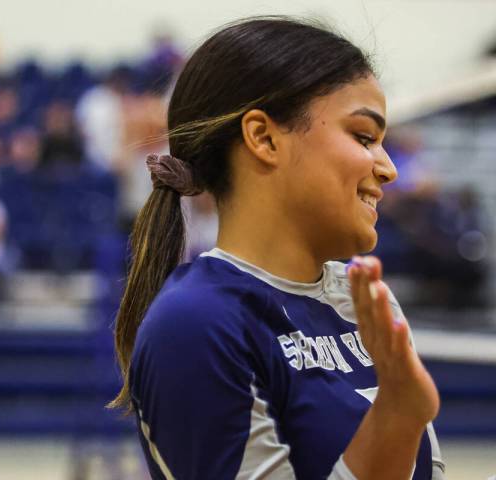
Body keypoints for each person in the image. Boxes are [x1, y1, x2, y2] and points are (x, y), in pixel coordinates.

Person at [110, 17, 445, 480]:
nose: (388, 169)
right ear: (264, 138)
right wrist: (397, 416)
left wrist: (403, 415)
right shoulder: (196, 323)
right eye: (364, 137)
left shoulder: (364, 300)